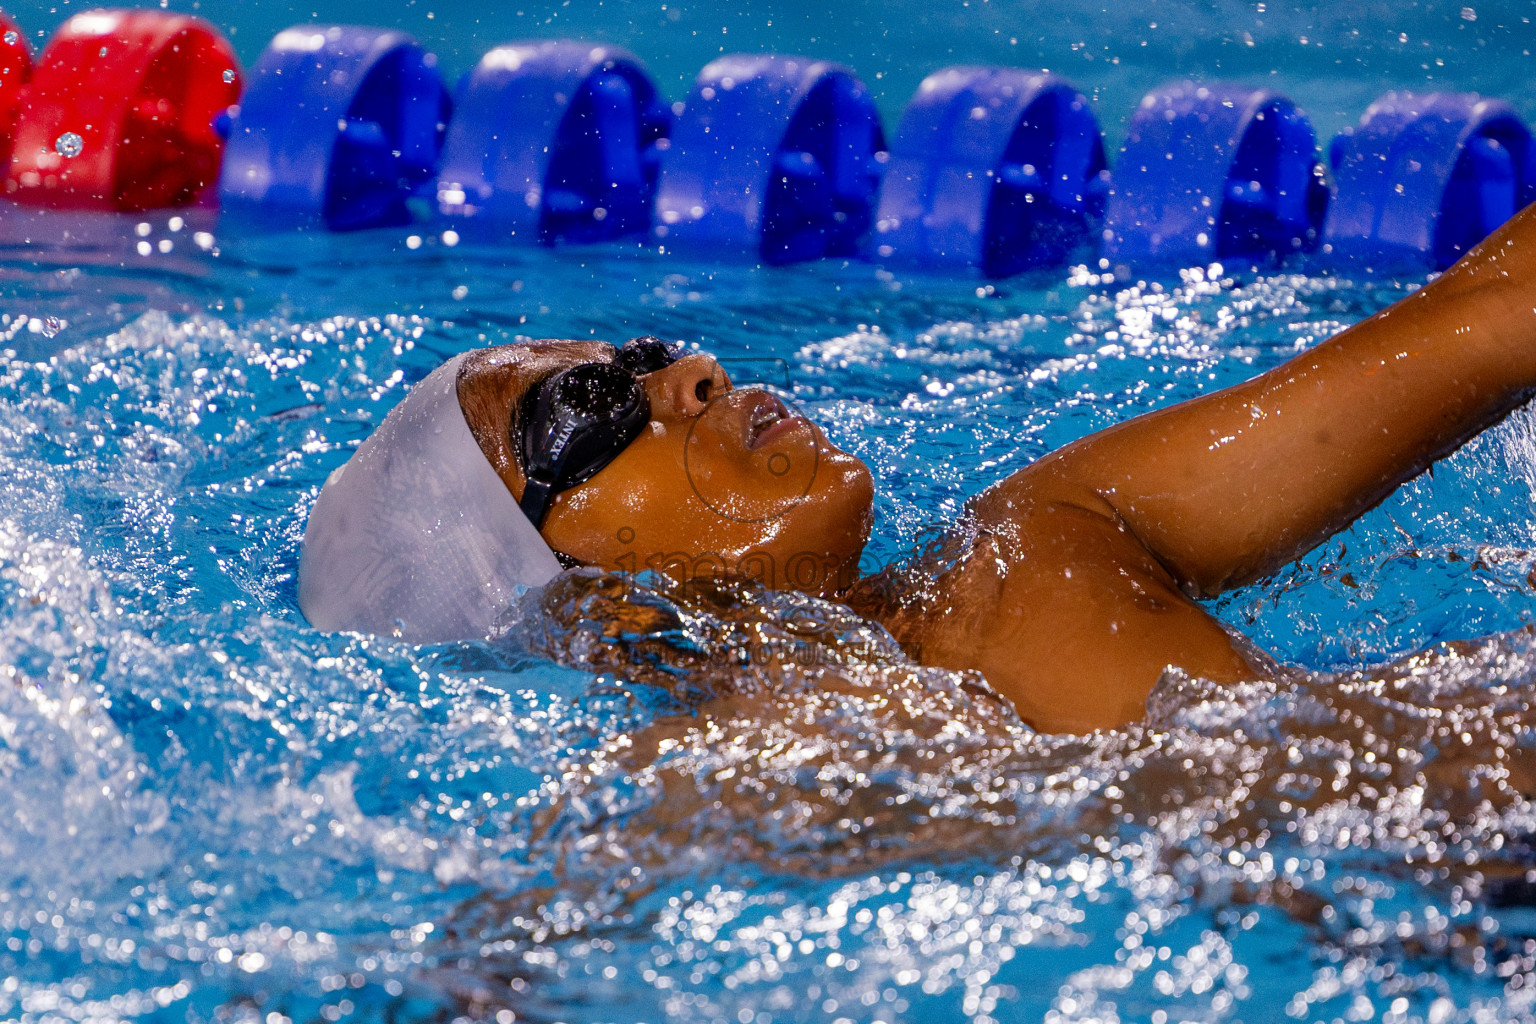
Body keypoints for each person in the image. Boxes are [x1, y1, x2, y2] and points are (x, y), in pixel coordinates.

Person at [298, 200, 1536, 735]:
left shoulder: (1046, 530)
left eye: (648, 353)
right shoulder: (710, 783)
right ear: (565, 592)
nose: (691, 377)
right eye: (582, 408)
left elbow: (1496, 314)